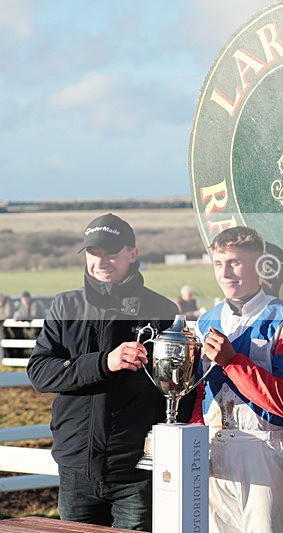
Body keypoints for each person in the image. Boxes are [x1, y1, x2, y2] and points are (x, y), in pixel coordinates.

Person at [26, 213, 180, 531]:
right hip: (75, 466)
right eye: (94, 252)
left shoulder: (164, 311)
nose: (102, 260)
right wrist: (102, 363)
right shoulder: (65, 307)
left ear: (132, 253)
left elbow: (177, 389)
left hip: (137, 470)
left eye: (112, 251)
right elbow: (40, 373)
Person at [189, 226, 283, 533]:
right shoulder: (206, 321)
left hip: (263, 449)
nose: (225, 272)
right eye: (219, 263)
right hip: (213, 448)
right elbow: (199, 393)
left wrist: (233, 362)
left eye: (234, 262)